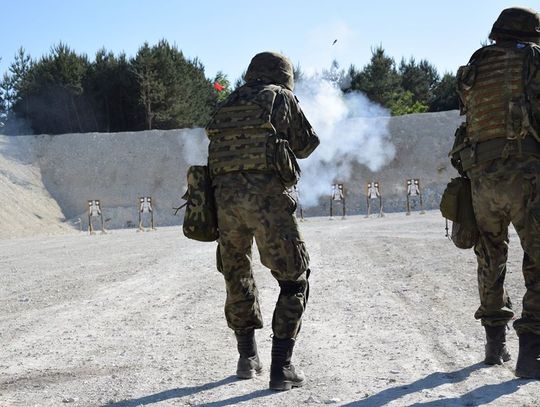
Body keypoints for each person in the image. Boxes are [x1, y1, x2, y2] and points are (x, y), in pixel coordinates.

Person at [205, 51, 319, 390]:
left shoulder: (226, 104)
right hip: (266, 202)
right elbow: (306, 145)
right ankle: (281, 367)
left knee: (236, 273)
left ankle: (247, 358)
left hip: (225, 204)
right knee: (294, 278)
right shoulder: (280, 97)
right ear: (283, 76)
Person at [452, 6, 540, 378]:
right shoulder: (531, 57)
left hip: (481, 177)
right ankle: (531, 354)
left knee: (490, 257)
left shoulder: (475, 66)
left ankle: (495, 346)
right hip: (525, 171)